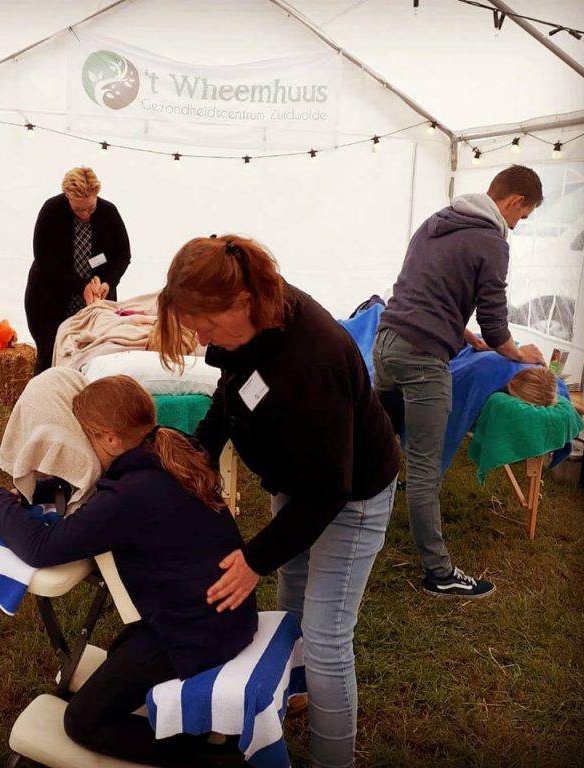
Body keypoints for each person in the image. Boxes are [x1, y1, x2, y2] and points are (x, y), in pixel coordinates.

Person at [156, 234, 400, 768]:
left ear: (240, 303)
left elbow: (329, 490)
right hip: (299, 478)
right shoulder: (252, 321)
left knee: (327, 634)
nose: (200, 337)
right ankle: (291, 693)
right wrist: (201, 449)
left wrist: (252, 561)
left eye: (206, 324)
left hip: (351, 492)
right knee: (291, 599)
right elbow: (233, 390)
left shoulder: (314, 359)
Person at [0, 375, 256, 767]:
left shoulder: (131, 495)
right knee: (122, 652)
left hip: (193, 634)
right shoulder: (170, 447)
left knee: (83, 722)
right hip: (224, 617)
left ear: (109, 440)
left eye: (86, 436)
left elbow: (42, 549)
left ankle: (210, 759)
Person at [372, 164, 546, 599]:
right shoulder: (491, 241)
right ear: (513, 203)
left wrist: (466, 338)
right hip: (422, 358)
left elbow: (425, 293)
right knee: (425, 470)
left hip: (386, 343)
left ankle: (345, 523)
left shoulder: (437, 222)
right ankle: (439, 572)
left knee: (372, 440)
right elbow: (494, 319)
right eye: (521, 217)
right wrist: (516, 352)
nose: (516, 226)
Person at [25, 167, 131, 373]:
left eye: (90, 208)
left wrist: (108, 282)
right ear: (67, 197)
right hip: (49, 299)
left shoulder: (109, 213)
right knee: (50, 356)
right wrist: (81, 286)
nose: (85, 214)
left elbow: (122, 255)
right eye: (79, 209)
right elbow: (45, 259)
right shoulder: (51, 211)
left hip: (96, 298)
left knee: (95, 355)